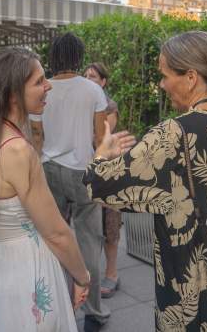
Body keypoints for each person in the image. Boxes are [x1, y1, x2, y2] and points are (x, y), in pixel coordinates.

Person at [84, 31, 207, 331]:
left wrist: (103, 154)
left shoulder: (173, 134)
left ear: (191, 77)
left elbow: (99, 186)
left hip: (196, 286)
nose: (161, 84)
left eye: (165, 75)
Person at [0, 48, 133, 331]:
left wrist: (99, 159)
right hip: (29, 273)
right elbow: (57, 233)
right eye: (39, 81)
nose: (48, 86)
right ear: (12, 94)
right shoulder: (18, 151)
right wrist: (82, 277)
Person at [30, 33, 110, 332]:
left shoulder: (43, 88)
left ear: (54, 56)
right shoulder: (92, 90)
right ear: (79, 55)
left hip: (48, 169)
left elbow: (36, 136)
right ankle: (93, 312)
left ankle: (55, 306)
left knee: (52, 239)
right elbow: (101, 139)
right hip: (83, 171)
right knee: (90, 242)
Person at [83, 62, 121, 299]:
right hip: (86, 169)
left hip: (108, 170)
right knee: (89, 226)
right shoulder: (82, 104)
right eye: (85, 76)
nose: (88, 80)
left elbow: (102, 140)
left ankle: (112, 274)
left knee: (110, 225)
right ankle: (90, 273)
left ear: (104, 81)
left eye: (94, 77)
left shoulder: (109, 105)